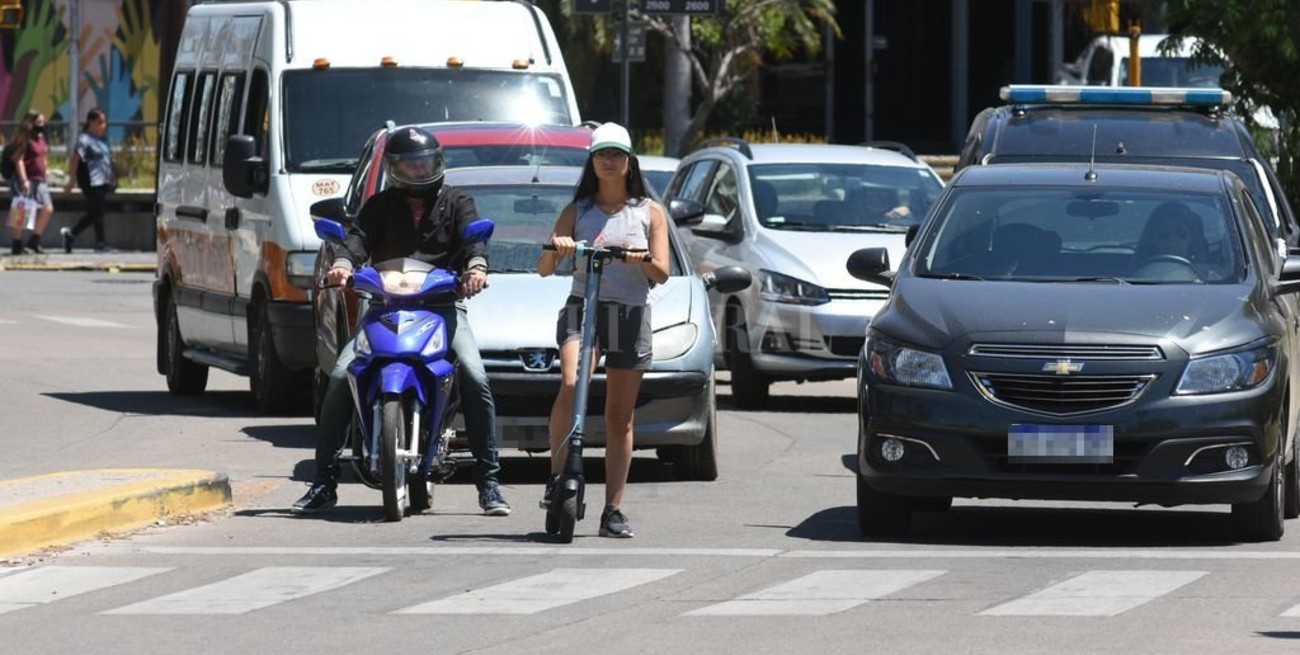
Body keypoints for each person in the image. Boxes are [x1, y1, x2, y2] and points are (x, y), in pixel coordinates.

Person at [292, 125, 510, 516]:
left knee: (476, 377)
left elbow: (473, 241)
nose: (417, 170)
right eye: (408, 165)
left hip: (443, 308)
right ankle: (324, 481)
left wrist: (476, 267)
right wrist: (343, 264)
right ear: (394, 168)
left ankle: (489, 482)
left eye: (424, 162)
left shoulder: (458, 202)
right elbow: (355, 240)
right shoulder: (378, 205)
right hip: (384, 308)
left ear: (438, 163)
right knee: (342, 375)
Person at [537, 123, 670, 538]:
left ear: (629, 162)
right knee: (572, 383)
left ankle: (614, 508)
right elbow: (543, 269)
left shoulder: (649, 212)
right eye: (600, 155)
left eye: (616, 154)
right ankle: (558, 476)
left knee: (619, 416)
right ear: (591, 163)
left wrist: (641, 259)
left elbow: (662, 273)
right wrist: (557, 246)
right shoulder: (577, 211)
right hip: (583, 309)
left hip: (629, 313)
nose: (608, 161)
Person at [63, 108, 117, 253]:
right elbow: (75, 159)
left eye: (104, 122)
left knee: (94, 213)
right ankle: (101, 243)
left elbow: (107, 160)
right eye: (100, 122)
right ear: (91, 122)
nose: (103, 125)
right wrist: (72, 180)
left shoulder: (101, 140)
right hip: (91, 181)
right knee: (97, 213)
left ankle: (71, 234)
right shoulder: (84, 139)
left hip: (102, 181)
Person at [8, 110, 54, 255]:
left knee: (48, 208)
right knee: (21, 211)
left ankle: (34, 241)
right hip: (26, 179)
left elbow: (43, 156)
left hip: (40, 180)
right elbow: (18, 160)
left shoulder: (41, 138)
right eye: (39, 123)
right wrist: (23, 180)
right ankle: (17, 244)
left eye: (43, 122)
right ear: (30, 123)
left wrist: (46, 171)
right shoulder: (25, 138)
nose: (42, 125)